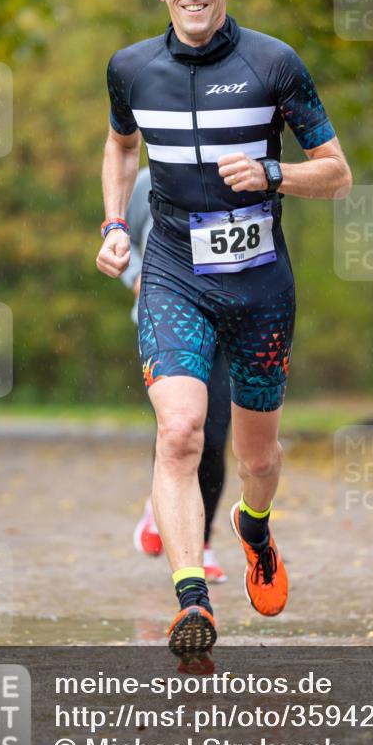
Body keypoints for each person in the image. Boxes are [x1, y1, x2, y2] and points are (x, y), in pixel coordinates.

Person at [96, 0, 352, 659]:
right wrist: (114, 224)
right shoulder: (131, 68)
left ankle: (253, 526)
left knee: (257, 460)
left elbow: (337, 174)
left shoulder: (274, 63)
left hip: (260, 284)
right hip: (173, 272)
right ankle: (191, 599)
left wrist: (274, 174)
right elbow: (119, 146)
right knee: (179, 430)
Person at [122, 167, 230, 584]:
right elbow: (120, 235)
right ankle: (163, 509)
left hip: (227, 319)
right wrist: (137, 276)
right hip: (168, 319)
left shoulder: (239, 174)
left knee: (214, 437)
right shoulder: (148, 180)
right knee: (179, 427)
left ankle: (202, 540)